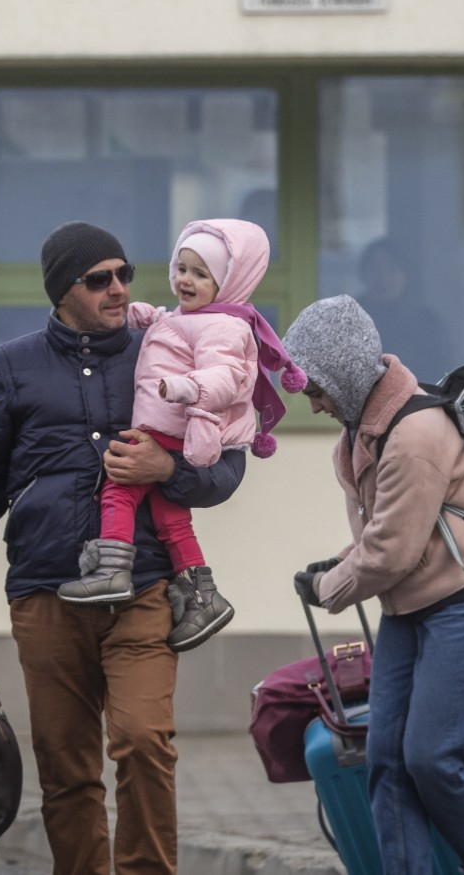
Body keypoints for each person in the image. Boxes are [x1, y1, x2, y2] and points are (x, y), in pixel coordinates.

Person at [0, 222, 246, 875]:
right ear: (60, 289)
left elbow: (226, 461)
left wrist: (167, 470)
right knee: (65, 764)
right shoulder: (9, 369)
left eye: (124, 273)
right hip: (45, 591)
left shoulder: (162, 347)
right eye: (98, 278)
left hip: (144, 587)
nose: (119, 288)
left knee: (142, 740)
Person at [284, 296, 464, 875]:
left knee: (432, 756)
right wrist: (333, 565)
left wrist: (329, 588)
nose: (312, 405)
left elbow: (391, 551)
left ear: (344, 372)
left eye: (316, 390)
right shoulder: (362, 432)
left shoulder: (414, 436)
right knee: (385, 760)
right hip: (409, 610)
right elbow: (384, 532)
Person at [57, 219, 306, 652]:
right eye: (182, 268)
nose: (185, 280)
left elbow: (227, 375)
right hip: (169, 427)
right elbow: (172, 330)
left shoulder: (224, 326)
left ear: (228, 282)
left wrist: (189, 387)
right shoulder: (197, 318)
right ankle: (201, 595)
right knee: (169, 516)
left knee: (119, 488)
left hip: (172, 427)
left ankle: (112, 569)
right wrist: (146, 316)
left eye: (200, 274)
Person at [355, 238, 451, 377]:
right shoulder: (351, 318)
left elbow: (439, 369)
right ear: (364, 274)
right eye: (375, 269)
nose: (383, 276)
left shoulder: (425, 321)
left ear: (406, 274)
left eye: (391, 269)